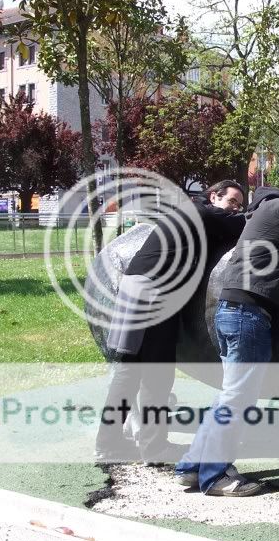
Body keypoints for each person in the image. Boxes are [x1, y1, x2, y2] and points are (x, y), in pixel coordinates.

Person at [174, 183, 279, 496]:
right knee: (239, 396)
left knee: (231, 393)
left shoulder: (265, 214)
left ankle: (192, 465)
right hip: (249, 312)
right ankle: (216, 475)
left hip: (237, 310)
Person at [95, 180, 246, 464]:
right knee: (155, 372)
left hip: (141, 289)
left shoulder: (191, 214)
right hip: (152, 293)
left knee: (132, 371)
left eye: (239, 204)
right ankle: (150, 448)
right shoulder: (201, 211)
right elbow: (241, 225)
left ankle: (111, 444)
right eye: (232, 202)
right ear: (214, 196)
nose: (235, 209)